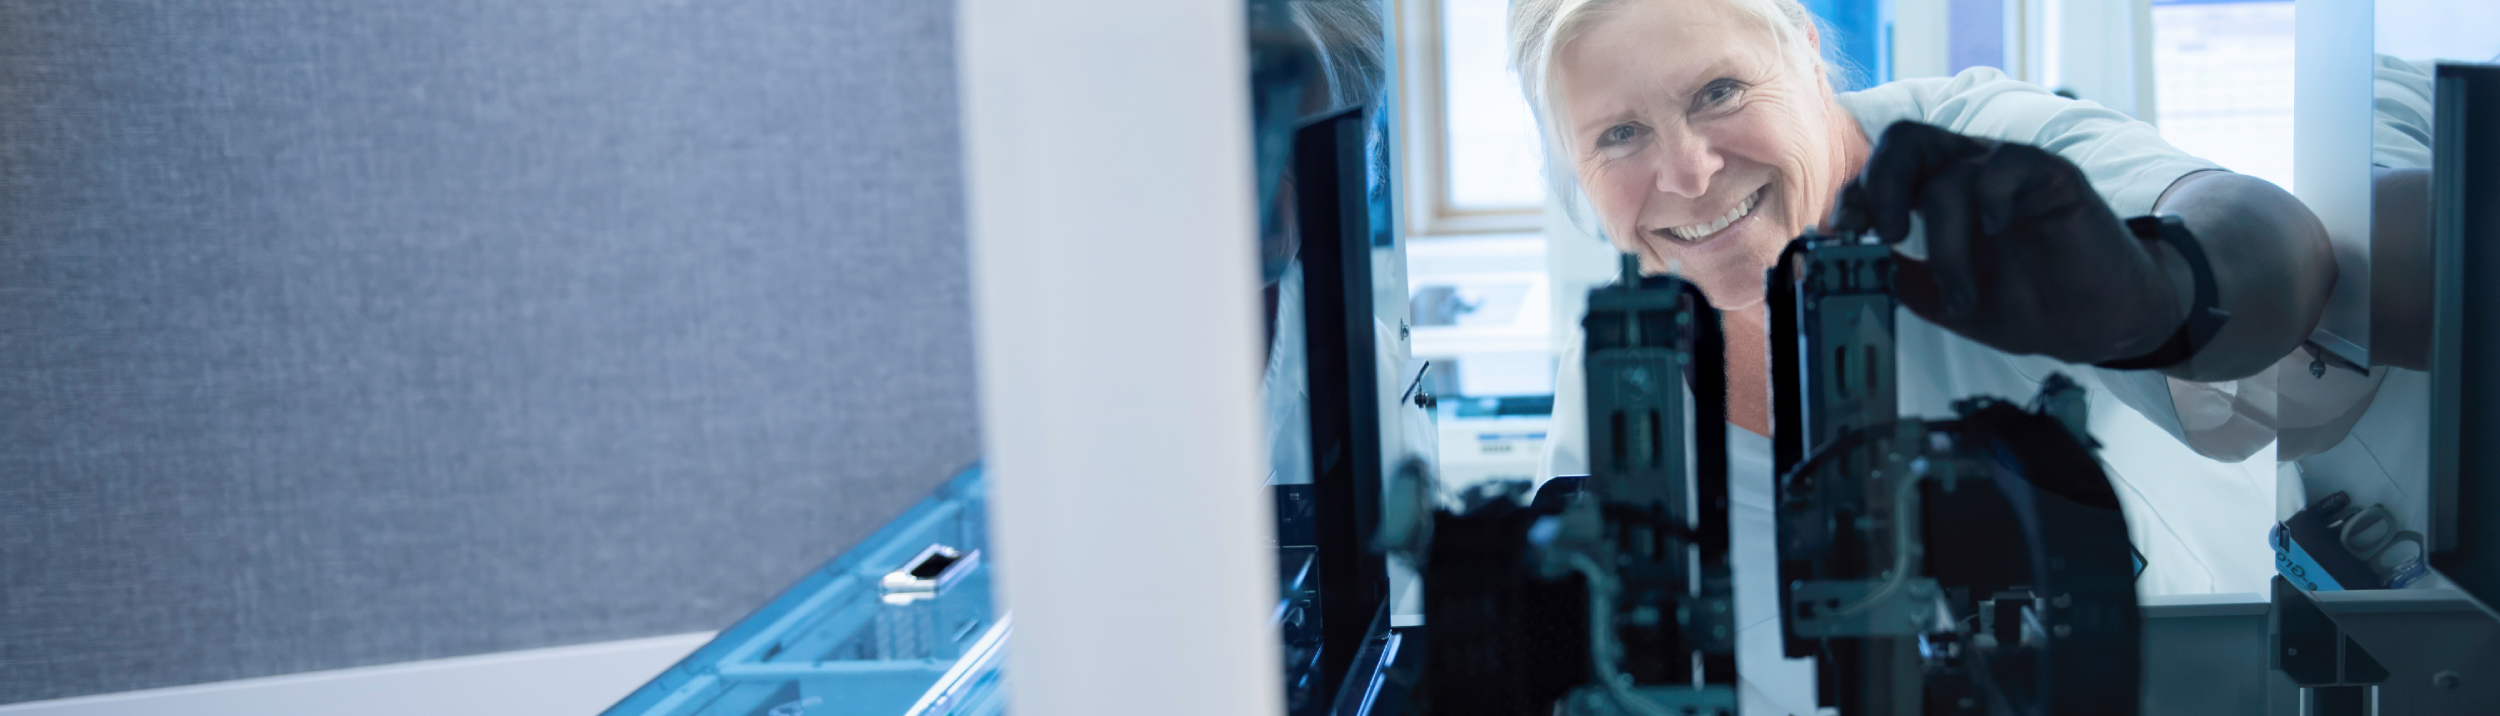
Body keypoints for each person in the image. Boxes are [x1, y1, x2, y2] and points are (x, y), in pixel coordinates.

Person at [1506, 0, 2339, 711]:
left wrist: (2154, 293)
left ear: (1801, 44)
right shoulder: (1624, 373)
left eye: (1718, 91)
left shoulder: (1990, 154)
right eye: (1619, 134)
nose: (1688, 174)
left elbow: (2276, 254)